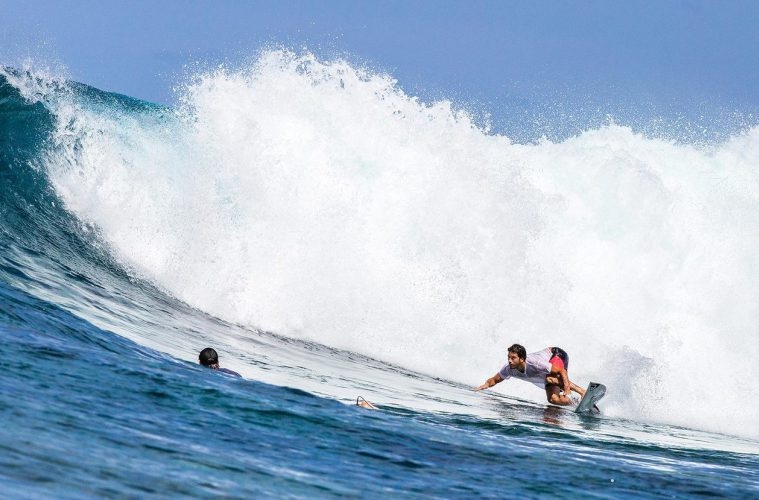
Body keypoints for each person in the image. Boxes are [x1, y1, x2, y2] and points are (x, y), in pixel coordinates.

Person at [474, 344, 585, 406]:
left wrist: (567, 390)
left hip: (556, 354)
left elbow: (562, 371)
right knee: (553, 399)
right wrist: (486, 384)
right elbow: (495, 379)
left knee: (550, 378)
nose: (510, 361)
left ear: (522, 359)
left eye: (513, 358)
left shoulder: (535, 363)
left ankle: (582, 392)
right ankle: (575, 403)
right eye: (508, 357)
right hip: (548, 368)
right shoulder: (508, 368)